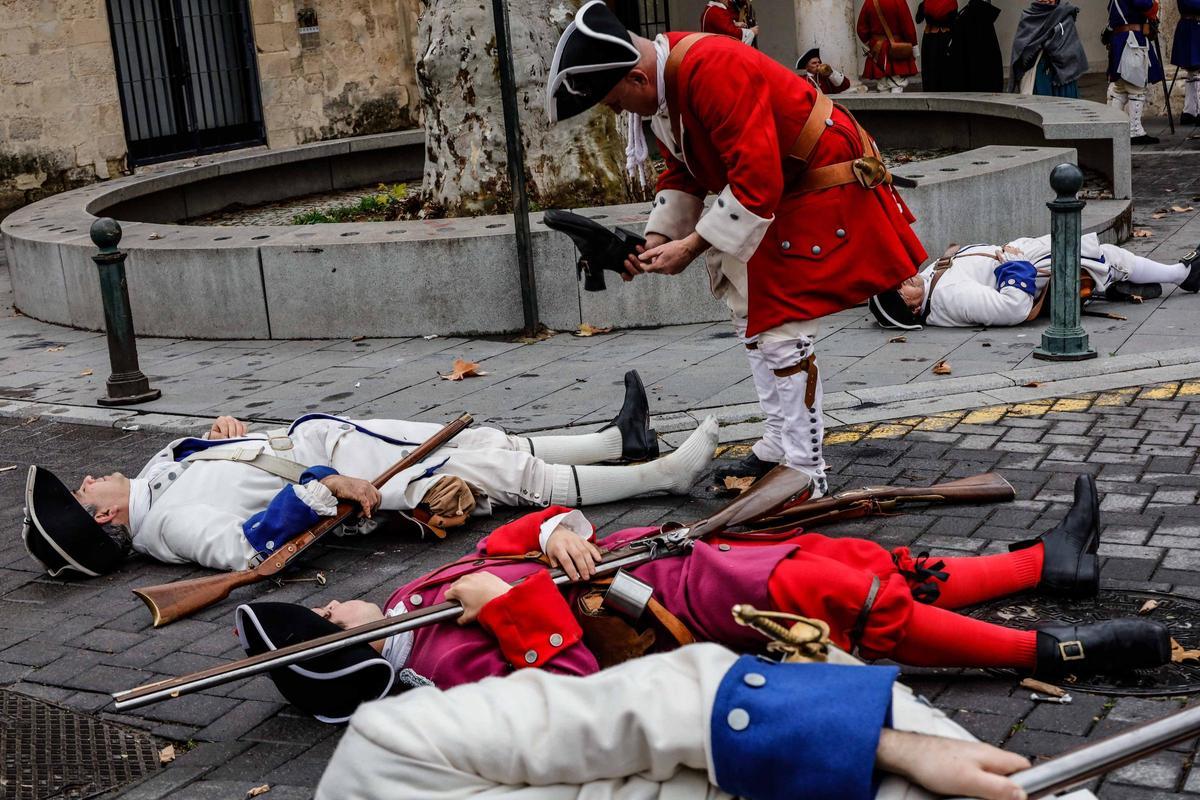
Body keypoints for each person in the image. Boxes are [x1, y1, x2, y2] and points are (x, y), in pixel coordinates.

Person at [237, 474, 1169, 723]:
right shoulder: (442, 663)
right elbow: (573, 695)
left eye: (324, 610)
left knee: (839, 551)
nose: (341, 607)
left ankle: (1043, 566)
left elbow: (511, 539)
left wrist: (556, 529)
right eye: (330, 625)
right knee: (832, 593)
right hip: (664, 623)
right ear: (358, 658)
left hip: (666, 559)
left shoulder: (415, 597)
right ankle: (1052, 653)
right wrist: (501, 606)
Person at [543, 1, 926, 489]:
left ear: (638, 79)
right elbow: (686, 168)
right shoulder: (668, 80)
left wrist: (692, 246)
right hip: (782, 184)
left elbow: (756, 182)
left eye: (617, 103)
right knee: (750, 313)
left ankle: (805, 472)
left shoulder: (711, 69)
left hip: (813, 179)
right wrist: (659, 239)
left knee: (778, 325)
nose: (620, 113)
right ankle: (778, 443)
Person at [21, 370, 720, 573]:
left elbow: (217, 461)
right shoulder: (167, 525)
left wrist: (216, 436)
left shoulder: (154, 475)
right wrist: (320, 490)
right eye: (83, 495)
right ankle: (660, 476)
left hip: (327, 440)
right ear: (105, 519)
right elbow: (245, 548)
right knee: (493, 476)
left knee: (484, 441)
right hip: (344, 476)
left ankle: (613, 441)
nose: (87, 482)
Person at [313, 643, 1037, 800]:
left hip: (803, 756)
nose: (342, 612)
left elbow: (622, 701)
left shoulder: (377, 757)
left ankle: (1044, 635)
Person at [868, 233, 1200, 329]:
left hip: (1023, 257)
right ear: (912, 311)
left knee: (1102, 255)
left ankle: (1110, 283)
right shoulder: (950, 297)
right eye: (901, 289)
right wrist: (1013, 263)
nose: (905, 280)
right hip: (1029, 266)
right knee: (1108, 256)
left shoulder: (928, 287)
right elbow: (1013, 307)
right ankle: (1183, 275)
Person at [1106, 0, 1165, 145]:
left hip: (1122, 40)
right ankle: (1135, 130)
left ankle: (1113, 129)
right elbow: (1144, 4)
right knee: (1137, 88)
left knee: (1120, 90)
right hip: (1131, 41)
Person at [1010, 0, 1088, 98]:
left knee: (1065, 108)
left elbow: (1071, 47)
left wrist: (1050, 41)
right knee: (1040, 106)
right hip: (1039, 72)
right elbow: (1019, 47)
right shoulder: (1029, 17)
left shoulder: (1065, 15)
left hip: (1064, 75)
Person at [857, 0, 919, 93]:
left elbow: (861, 28)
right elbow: (908, 28)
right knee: (897, 82)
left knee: (882, 84)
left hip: (878, 50)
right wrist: (913, 46)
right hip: (897, 48)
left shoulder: (869, 2)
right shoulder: (899, 2)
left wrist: (871, 43)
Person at [916, 0, 958, 92]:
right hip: (945, 38)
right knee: (945, 68)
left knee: (929, 68)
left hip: (930, 37)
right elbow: (954, 22)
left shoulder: (925, 3)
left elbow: (918, 19)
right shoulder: (952, 3)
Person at [1173, 0, 1200, 126]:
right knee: (1196, 69)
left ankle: (1190, 111)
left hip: (1194, 26)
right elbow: (1192, 3)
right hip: (1191, 26)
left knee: (1193, 71)